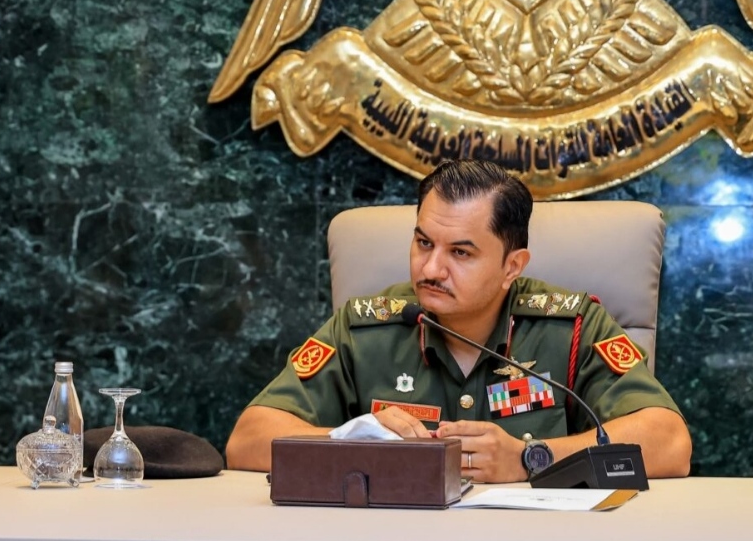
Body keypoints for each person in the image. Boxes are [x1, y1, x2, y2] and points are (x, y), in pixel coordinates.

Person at [226, 160, 692, 482]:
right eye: (424, 243)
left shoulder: (572, 325)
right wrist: (356, 439)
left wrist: (530, 457)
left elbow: (670, 443)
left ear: (512, 266)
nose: (431, 269)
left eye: (461, 253)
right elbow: (247, 440)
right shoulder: (365, 326)